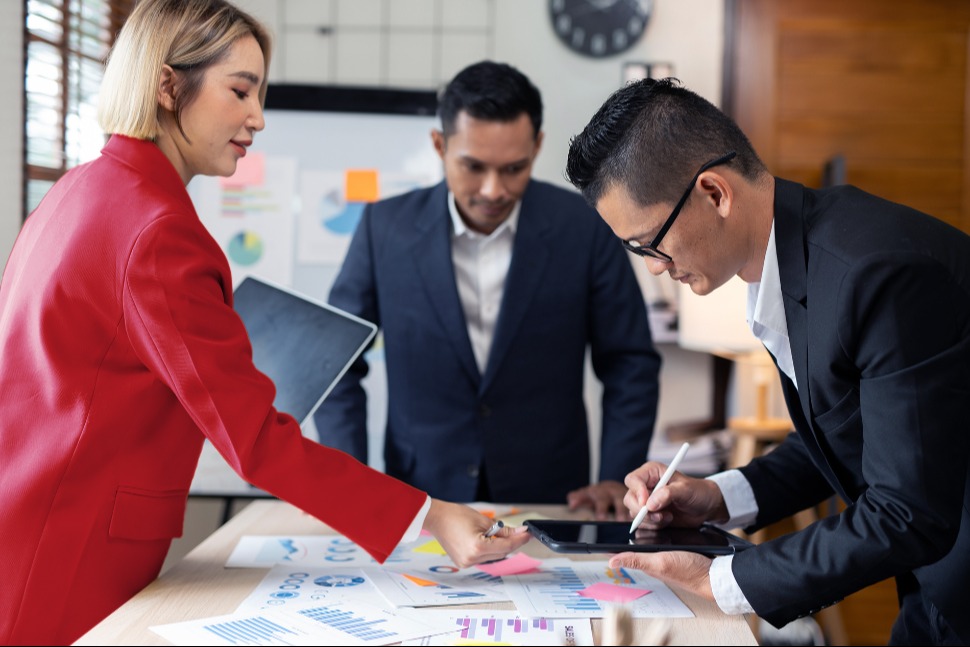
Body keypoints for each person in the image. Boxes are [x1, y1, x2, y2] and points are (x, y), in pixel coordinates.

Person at [0, 3, 530, 645]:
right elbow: (255, 441)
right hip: (68, 545)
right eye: (240, 91)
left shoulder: (79, 189)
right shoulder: (159, 232)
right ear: (168, 86)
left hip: (29, 517)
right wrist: (432, 514)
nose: (257, 116)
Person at [564, 77, 970, 646]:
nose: (654, 266)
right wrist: (716, 497)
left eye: (650, 242)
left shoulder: (874, 275)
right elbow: (845, 435)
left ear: (714, 193)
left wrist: (720, 579)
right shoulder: (796, 262)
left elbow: (906, 511)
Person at [312, 60, 662, 515]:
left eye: (514, 168)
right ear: (439, 145)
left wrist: (617, 476)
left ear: (537, 146)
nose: (493, 190)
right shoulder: (385, 228)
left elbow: (630, 363)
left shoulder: (585, 227)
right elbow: (336, 363)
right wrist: (349, 479)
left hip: (550, 497)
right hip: (422, 496)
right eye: (473, 167)